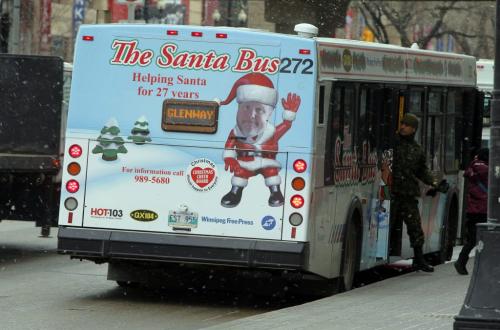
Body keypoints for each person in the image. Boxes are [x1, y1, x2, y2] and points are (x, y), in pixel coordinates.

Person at [391, 113, 446, 273]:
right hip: (391, 193)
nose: (402, 127)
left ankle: (419, 259)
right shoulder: (393, 143)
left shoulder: (417, 150)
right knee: (388, 225)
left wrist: (435, 182)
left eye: (406, 125)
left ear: (413, 129)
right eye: (402, 124)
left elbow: (422, 171)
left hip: (407, 194)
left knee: (415, 227)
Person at [454, 148, 489, 275]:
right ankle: (464, 263)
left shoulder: (472, 168)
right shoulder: (487, 170)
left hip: (472, 210)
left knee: (473, 239)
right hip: (483, 210)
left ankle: (462, 262)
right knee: (485, 238)